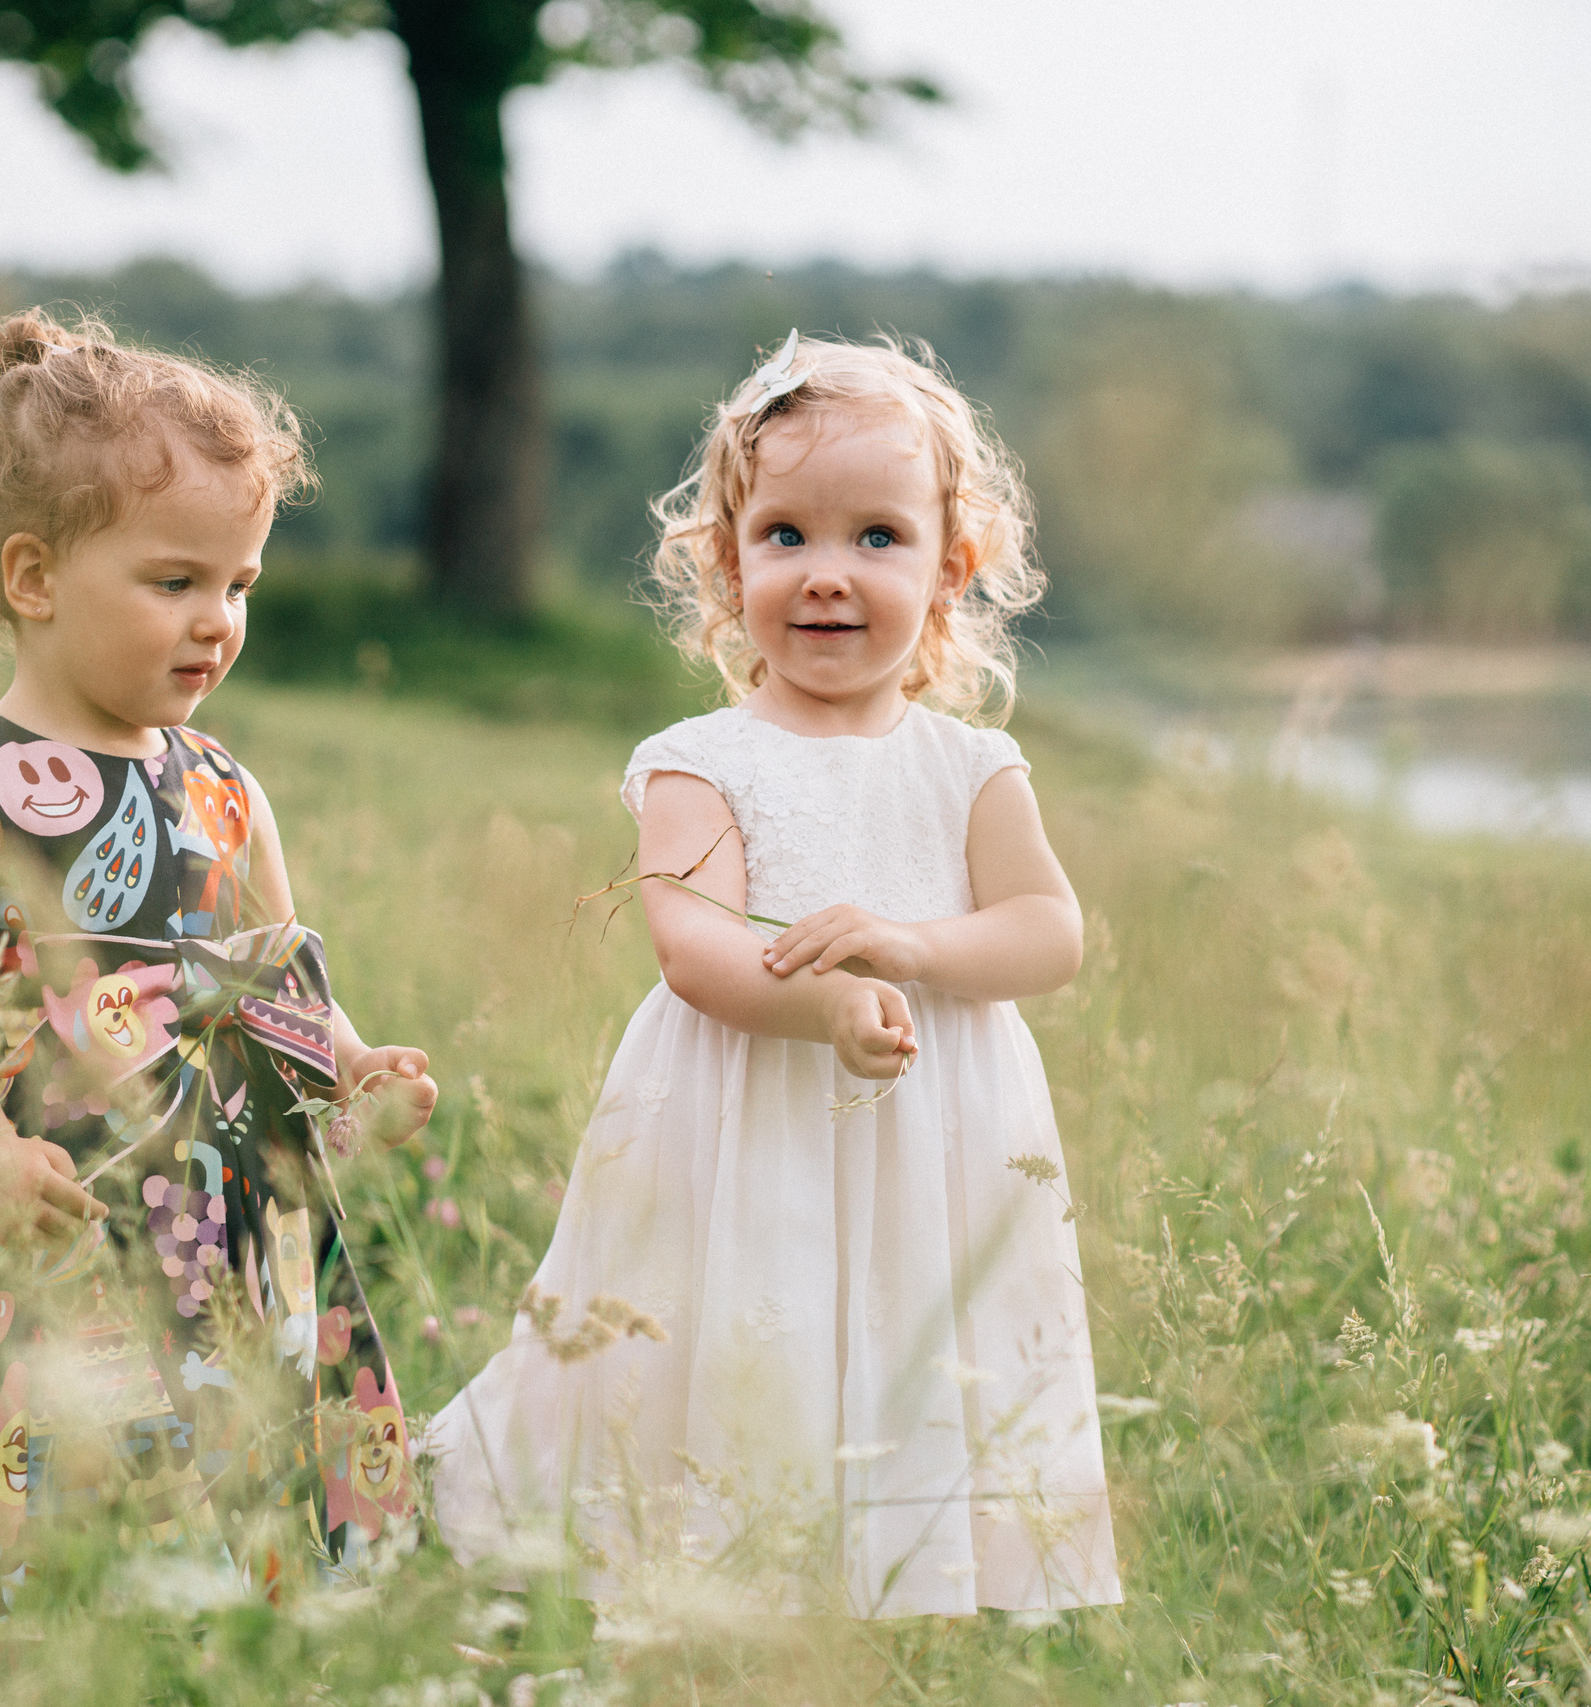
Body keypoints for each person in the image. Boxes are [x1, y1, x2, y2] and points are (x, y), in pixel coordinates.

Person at [427, 332, 1120, 1618]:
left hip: (936, 1117)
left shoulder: (971, 767)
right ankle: (705, 1567)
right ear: (726, 562)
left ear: (949, 569)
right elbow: (693, 948)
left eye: (876, 538)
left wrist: (910, 950)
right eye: (785, 538)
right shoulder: (698, 757)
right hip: (743, 1108)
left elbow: (1046, 930)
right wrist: (820, 1002)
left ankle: (911, 1571)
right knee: (744, 1317)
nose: (826, 577)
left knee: (914, 1326)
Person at [0, 310, 437, 1628]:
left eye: (241, 583)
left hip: (211, 1199)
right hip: (42, 1186)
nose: (219, 620)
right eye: (175, 581)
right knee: (20, 1424)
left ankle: (204, 1610)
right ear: (35, 575)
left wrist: (354, 1061)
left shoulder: (224, 786)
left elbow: (276, 975)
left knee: (214, 1414)